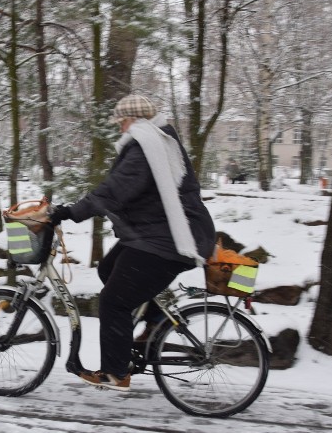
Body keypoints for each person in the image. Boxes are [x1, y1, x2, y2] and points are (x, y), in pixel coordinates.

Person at [49, 94, 216, 391]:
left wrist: (69, 212)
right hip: (158, 235)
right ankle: (154, 324)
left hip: (168, 241)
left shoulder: (145, 146)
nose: (120, 128)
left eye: (122, 122)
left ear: (135, 120)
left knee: (114, 301)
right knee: (109, 270)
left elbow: (115, 190)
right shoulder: (155, 143)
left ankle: (116, 372)